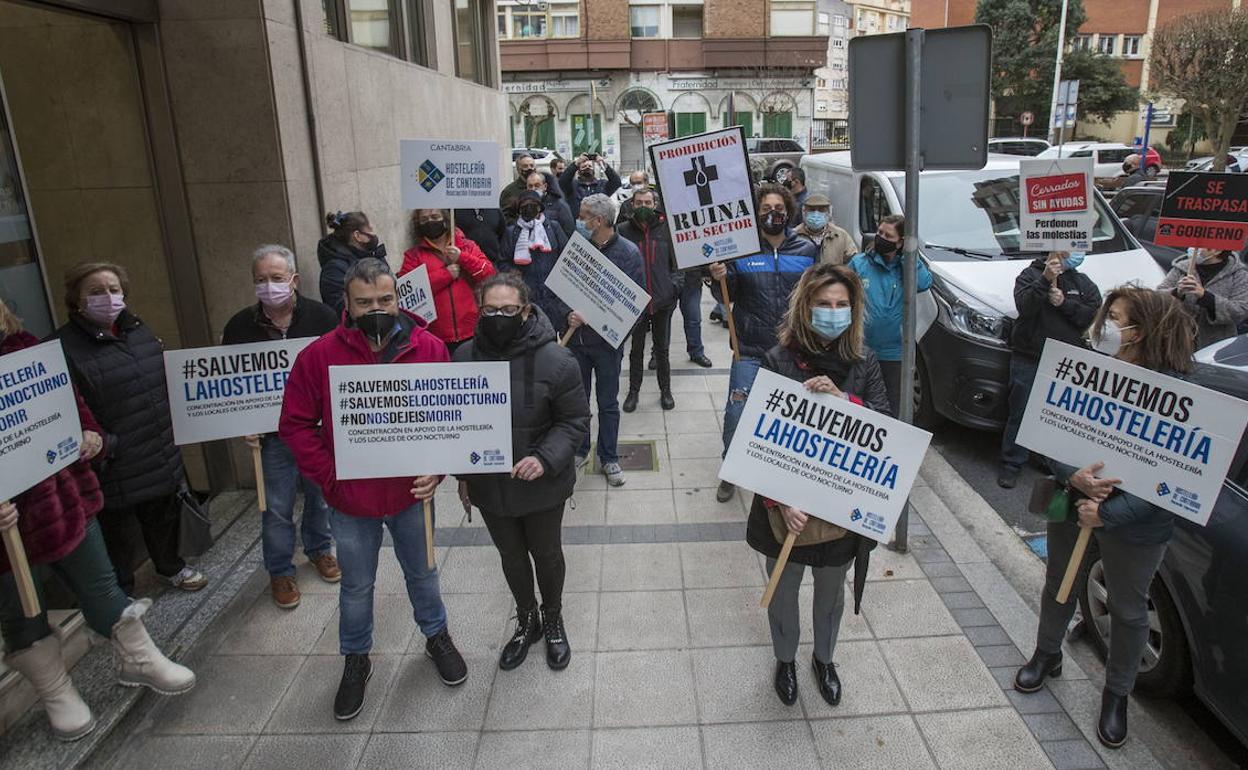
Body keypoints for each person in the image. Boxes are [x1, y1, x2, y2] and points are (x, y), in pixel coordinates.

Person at [279, 257, 467, 721]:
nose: (376, 309)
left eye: (385, 299)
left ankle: (436, 636)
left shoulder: (429, 348)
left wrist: (438, 469)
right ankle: (356, 658)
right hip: (351, 500)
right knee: (357, 586)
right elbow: (296, 425)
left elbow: (451, 417)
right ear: (346, 303)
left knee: (422, 573)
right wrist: (330, 475)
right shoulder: (319, 356)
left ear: (398, 298)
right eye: (365, 303)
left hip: (411, 495)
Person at [0, 300, 195, 742]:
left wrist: (90, 434)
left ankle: (138, 658)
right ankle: (55, 691)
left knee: (101, 583)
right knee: (22, 608)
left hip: (62, 499)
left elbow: (69, 407)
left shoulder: (26, 349)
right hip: (6, 526)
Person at [1015, 286, 1195, 750]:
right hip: (1073, 502)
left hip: (1136, 526)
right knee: (1060, 582)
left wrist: (1108, 513)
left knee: (1129, 611)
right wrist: (1071, 475)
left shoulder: (1178, 394)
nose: (1105, 326)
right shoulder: (1085, 369)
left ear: (1142, 331)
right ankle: (1047, 653)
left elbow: (1174, 483)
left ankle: (1116, 695)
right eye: (1107, 315)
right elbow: (1048, 434)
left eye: (1116, 318)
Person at [744, 264, 888, 707]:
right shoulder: (778, 360)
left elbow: (886, 426)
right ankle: (785, 659)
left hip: (839, 513)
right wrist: (781, 502)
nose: (833, 311)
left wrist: (845, 402)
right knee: (783, 592)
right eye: (824, 303)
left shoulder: (864, 361)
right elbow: (758, 442)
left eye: (842, 304)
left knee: (830, 595)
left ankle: (824, 659)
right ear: (805, 307)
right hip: (787, 514)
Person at [452, 274, 590, 671]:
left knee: (546, 555)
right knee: (511, 557)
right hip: (489, 486)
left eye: (509, 310)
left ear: (526, 311)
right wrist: (462, 475)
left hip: (541, 485)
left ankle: (553, 618)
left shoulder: (557, 360)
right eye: (491, 310)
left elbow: (575, 420)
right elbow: (457, 424)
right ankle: (527, 619)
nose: (499, 317)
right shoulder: (463, 358)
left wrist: (545, 458)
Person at [51, 263, 207, 595]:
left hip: (157, 449)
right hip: (111, 461)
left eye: (113, 289)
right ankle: (120, 595)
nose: (108, 297)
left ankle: (171, 567)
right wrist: (104, 444)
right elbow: (60, 409)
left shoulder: (137, 330)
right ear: (76, 300)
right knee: (116, 535)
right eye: (95, 292)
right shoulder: (61, 348)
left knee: (162, 517)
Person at [222, 245, 341, 608]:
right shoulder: (239, 327)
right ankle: (280, 570)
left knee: (320, 496)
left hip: (317, 432)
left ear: (294, 280)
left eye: (276, 278)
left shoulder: (323, 317)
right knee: (275, 506)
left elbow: (340, 367)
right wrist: (242, 420)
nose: (268, 285)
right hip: (271, 436)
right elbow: (230, 382)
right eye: (260, 279)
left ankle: (319, 549)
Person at [708, 184, 819, 503]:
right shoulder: (741, 250)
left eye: (779, 209)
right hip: (750, 350)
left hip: (792, 351)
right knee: (737, 413)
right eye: (766, 209)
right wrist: (719, 277)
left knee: (788, 419)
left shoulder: (806, 250)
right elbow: (725, 295)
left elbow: (815, 295)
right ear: (756, 214)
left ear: (788, 212)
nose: (773, 214)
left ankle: (781, 472)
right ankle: (731, 470)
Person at [554, 194, 644, 486]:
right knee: (578, 403)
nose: (578, 221)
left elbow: (635, 306)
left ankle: (609, 457)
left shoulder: (629, 254)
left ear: (599, 220)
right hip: (576, 345)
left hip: (607, 348)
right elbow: (557, 291)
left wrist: (616, 335)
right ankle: (580, 450)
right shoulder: (575, 249)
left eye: (583, 217)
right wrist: (566, 315)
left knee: (607, 403)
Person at [998, 251, 1101, 489]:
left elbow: (1091, 316)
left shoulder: (1083, 283)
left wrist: (1064, 304)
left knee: (1054, 417)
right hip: (1030, 357)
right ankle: (1012, 463)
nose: (1075, 253)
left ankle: (1048, 460)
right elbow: (1025, 307)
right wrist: (1044, 280)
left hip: (1064, 363)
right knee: (1021, 413)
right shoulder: (1029, 275)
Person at [848, 214, 933, 418]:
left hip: (894, 353)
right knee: (857, 404)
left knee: (891, 406)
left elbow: (924, 283)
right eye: (879, 232)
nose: (881, 238)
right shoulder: (859, 263)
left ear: (900, 242)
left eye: (888, 236)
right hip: (861, 348)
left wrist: (908, 258)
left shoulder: (906, 267)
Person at [399, 208, 496, 355]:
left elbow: (489, 275)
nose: (430, 222)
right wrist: (445, 275)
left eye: (435, 216)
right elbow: (407, 293)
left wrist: (462, 258)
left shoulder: (467, 246)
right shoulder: (413, 256)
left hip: (472, 332)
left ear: (445, 219)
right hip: (435, 337)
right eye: (424, 219)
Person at [618, 187, 680, 412]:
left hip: (663, 301)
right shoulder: (623, 230)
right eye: (639, 203)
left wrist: (674, 287)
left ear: (655, 205)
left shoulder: (667, 229)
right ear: (632, 205)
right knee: (636, 350)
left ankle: (666, 391)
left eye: (647, 202)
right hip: (635, 304)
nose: (643, 206)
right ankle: (633, 392)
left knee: (662, 350)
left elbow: (678, 264)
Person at [1157, 247, 1248, 348]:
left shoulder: (1239, 275)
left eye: (1200, 246)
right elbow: (1158, 297)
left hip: (1215, 345)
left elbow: (1240, 310)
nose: (1194, 248)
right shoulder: (1182, 268)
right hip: (1178, 341)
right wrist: (1176, 292)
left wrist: (1206, 297)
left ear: (1216, 250)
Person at [500, 190, 569, 322]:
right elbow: (502, 262)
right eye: (524, 205)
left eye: (533, 205)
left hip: (553, 294)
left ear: (539, 207)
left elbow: (566, 256)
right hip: (526, 294)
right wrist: (512, 273)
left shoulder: (553, 227)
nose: (529, 208)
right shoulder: (512, 232)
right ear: (519, 210)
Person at [318, 211, 387, 316]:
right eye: (370, 230)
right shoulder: (334, 270)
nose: (373, 234)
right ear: (357, 236)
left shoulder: (374, 255)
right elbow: (340, 308)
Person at [795, 193, 858, 266]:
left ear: (829, 213)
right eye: (812, 209)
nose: (816, 214)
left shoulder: (841, 236)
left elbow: (853, 263)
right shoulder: (794, 235)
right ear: (804, 212)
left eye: (821, 210)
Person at [559, 154, 622, 219]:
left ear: (593, 170)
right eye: (584, 166)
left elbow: (616, 182)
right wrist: (575, 164)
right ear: (579, 171)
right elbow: (562, 181)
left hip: (598, 222)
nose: (587, 167)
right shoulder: (573, 185)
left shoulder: (602, 185)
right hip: (578, 222)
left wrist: (603, 164)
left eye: (590, 166)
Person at [525, 170, 575, 237]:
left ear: (545, 186)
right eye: (530, 186)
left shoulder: (559, 205)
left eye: (537, 185)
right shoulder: (524, 206)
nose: (533, 189)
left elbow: (570, 231)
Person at [499, 153, 538, 219]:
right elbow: (506, 217)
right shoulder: (509, 191)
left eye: (531, 165)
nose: (529, 168)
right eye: (525, 166)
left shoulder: (542, 186)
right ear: (518, 169)